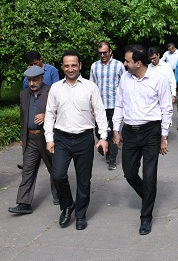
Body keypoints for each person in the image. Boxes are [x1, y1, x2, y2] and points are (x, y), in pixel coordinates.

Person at [44, 50, 109, 231]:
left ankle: (81, 214)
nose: (70, 69)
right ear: (62, 67)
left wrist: (103, 137)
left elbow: (100, 113)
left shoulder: (90, 87)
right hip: (62, 138)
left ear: (80, 66)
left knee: (84, 180)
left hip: (84, 139)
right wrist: (49, 138)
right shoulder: (56, 88)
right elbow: (49, 114)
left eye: (74, 65)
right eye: (67, 66)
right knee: (58, 175)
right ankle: (67, 206)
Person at [112, 44, 173, 235]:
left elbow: (166, 109)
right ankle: (148, 196)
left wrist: (164, 136)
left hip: (151, 131)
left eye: (127, 61)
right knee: (129, 173)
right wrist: (116, 130)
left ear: (138, 63)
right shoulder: (125, 78)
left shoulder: (158, 79)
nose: (124, 64)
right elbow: (119, 105)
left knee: (149, 175)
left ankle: (146, 217)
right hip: (130, 132)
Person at [8, 66, 59, 214]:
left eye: (35, 80)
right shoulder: (24, 94)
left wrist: (46, 116)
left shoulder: (52, 91)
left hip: (47, 138)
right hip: (30, 138)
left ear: (42, 78)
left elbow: (62, 112)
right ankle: (24, 203)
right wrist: (22, 136)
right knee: (27, 171)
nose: (32, 83)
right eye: (29, 80)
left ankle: (60, 195)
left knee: (55, 169)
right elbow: (22, 117)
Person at [89, 41, 125, 171]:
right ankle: (105, 148)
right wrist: (91, 105)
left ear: (110, 51)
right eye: (100, 53)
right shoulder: (94, 66)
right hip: (100, 106)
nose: (102, 55)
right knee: (99, 132)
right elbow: (92, 86)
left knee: (113, 131)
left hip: (115, 105)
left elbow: (124, 85)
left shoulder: (119, 65)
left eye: (105, 52)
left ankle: (112, 159)